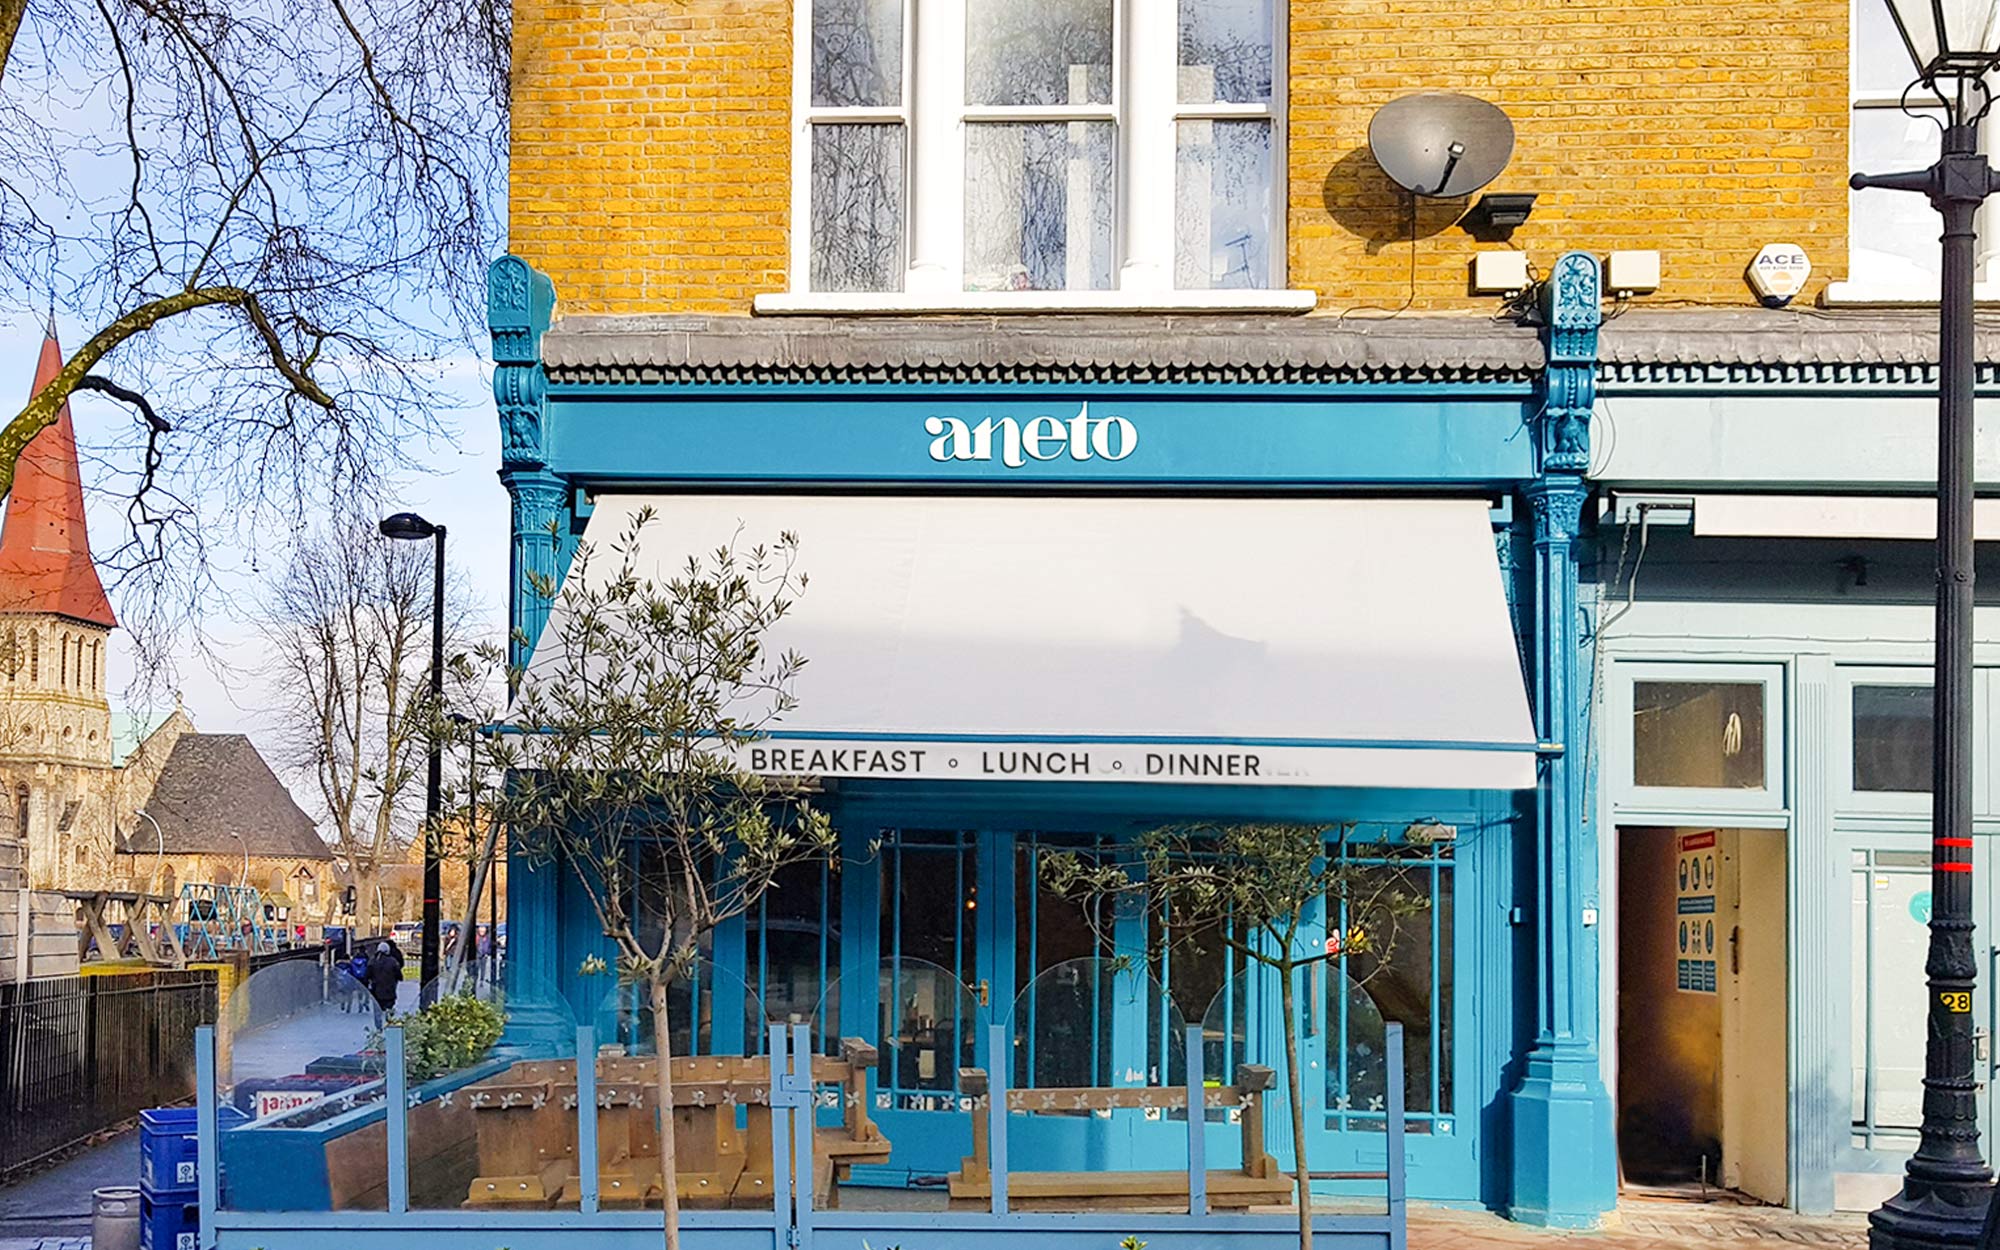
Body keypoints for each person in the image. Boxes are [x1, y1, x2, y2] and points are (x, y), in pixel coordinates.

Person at [364, 940, 403, 1028]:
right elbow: (399, 976)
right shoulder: (393, 961)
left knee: (377, 1009)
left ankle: (378, 1027)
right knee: (389, 1008)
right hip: (389, 990)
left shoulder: (372, 961)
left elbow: (367, 975)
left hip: (376, 990)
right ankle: (388, 1024)